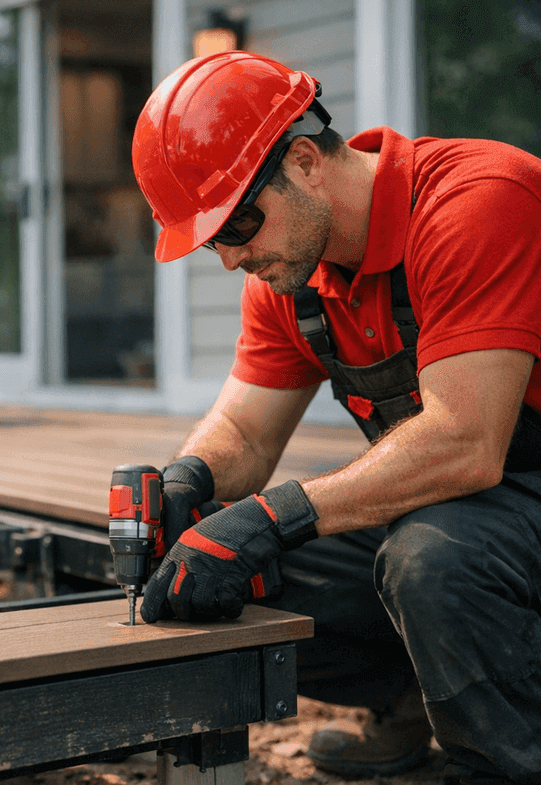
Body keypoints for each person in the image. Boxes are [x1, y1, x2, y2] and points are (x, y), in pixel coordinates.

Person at [129, 51, 541, 784]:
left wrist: (271, 515)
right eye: (215, 239)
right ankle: (418, 700)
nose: (231, 258)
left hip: (504, 479)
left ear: (305, 162)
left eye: (239, 223)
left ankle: (505, 762)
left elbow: (466, 442)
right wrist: (190, 482)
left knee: (433, 560)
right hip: (474, 500)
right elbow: (246, 434)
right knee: (228, 570)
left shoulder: (477, 200)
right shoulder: (288, 276)